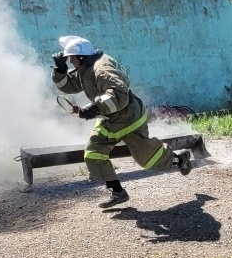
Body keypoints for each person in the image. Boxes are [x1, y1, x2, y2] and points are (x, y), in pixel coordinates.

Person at [51, 35, 192, 209]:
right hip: (109, 118)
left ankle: (181, 160)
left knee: (148, 159)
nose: (70, 61)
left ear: (81, 57)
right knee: (93, 153)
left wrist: (95, 107)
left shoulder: (101, 69)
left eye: (71, 58)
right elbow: (70, 86)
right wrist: (60, 70)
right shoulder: (85, 67)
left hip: (129, 118)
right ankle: (118, 192)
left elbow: (119, 95)